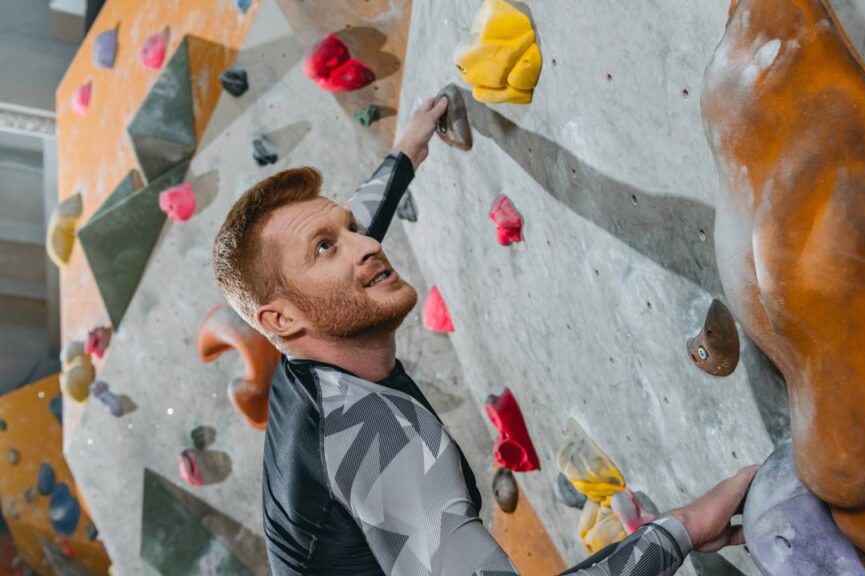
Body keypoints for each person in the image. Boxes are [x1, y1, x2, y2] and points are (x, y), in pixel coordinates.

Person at [213, 95, 758, 575]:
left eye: (349, 231)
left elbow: (353, 222)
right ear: (280, 320)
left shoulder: (304, 337)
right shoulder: (377, 441)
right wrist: (682, 528)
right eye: (326, 246)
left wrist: (407, 151)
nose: (368, 245)